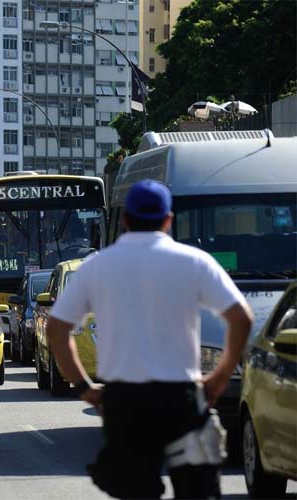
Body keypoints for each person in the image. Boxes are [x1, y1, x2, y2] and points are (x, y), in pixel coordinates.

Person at [45, 179, 252, 499]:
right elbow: (241, 318)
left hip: (124, 402)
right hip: (180, 399)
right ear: (168, 219)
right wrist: (219, 378)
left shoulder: (98, 266)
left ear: (126, 219)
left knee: (135, 491)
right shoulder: (193, 261)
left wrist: (83, 385)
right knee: (198, 490)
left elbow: (56, 328)